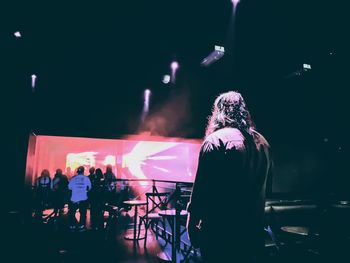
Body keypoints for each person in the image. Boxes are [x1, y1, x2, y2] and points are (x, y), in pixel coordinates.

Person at [187, 91, 273, 262]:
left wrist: (192, 226)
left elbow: (202, 192)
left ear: (219, 112)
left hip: (220, 236)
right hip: (252, 235)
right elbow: (268, 189)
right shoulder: (263, 143)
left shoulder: (215, 141)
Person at [68, 166, 91, 231]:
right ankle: (81, 226)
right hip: (83, 198)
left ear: (77, 171)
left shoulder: (73, 178)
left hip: (74, 198)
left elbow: (69, 187)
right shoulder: (86, 178)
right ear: (83, 171)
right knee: (83, 213)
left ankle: (72, 225)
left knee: (72, 212)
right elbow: (89, 188)